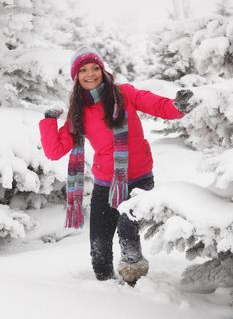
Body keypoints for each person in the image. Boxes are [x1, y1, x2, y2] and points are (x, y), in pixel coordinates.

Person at [39, 46, 194, 286]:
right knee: (99, 244)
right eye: (83, 70)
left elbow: (158, 106)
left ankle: (134, 281)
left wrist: (178, 106)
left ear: (103, 70)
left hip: (139, 179)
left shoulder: (125, 94)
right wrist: (49, 120)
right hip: (105, 184)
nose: (90, 74)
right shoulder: (78, 113)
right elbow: (55, 150)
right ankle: (105, 289)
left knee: (128, 230)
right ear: (76, 77)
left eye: (95, 68)